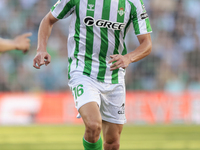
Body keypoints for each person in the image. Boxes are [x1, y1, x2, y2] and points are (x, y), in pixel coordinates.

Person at [33, 0, 152, 149]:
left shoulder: (133, 3)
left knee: (112, 141)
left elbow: (146, 43)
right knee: (94, 125)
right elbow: (48, 20)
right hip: (83, 71)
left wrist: (128, 57)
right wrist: (41, 49)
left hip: (113, 74)